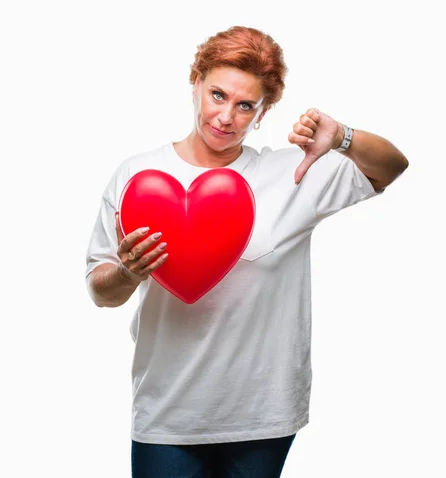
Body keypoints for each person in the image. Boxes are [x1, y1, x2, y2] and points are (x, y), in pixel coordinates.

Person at [85, 25, 408, 478]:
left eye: (245, 105)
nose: (226, 116)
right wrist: (128, 271)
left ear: (263, 112)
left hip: (263, 413)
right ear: (195, 83)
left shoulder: (294, 172)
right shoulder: (138, 176)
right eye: (217, 95)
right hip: (168, 413)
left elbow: (392, 167)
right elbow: (101, 292)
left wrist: (342, 138)